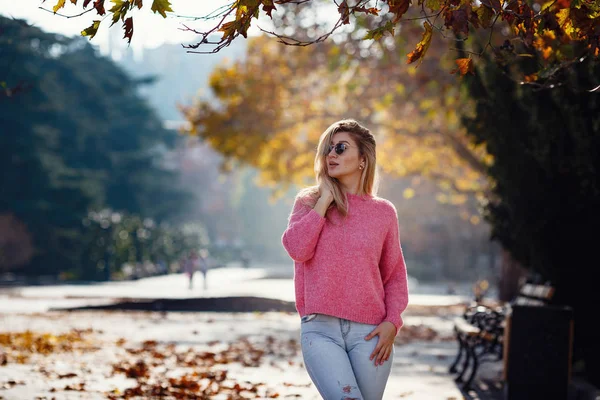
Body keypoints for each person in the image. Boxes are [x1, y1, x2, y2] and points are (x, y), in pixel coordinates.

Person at [281, 119, 409, 400]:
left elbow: (395, 274)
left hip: (371, 334)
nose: (331, 155)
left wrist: (392, 322)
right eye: (328, 149)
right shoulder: (308, 201)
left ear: (363, 159)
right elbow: (297, 249)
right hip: (320, 330)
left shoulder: (384, 212)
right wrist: (323, 203)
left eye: (340, 148)